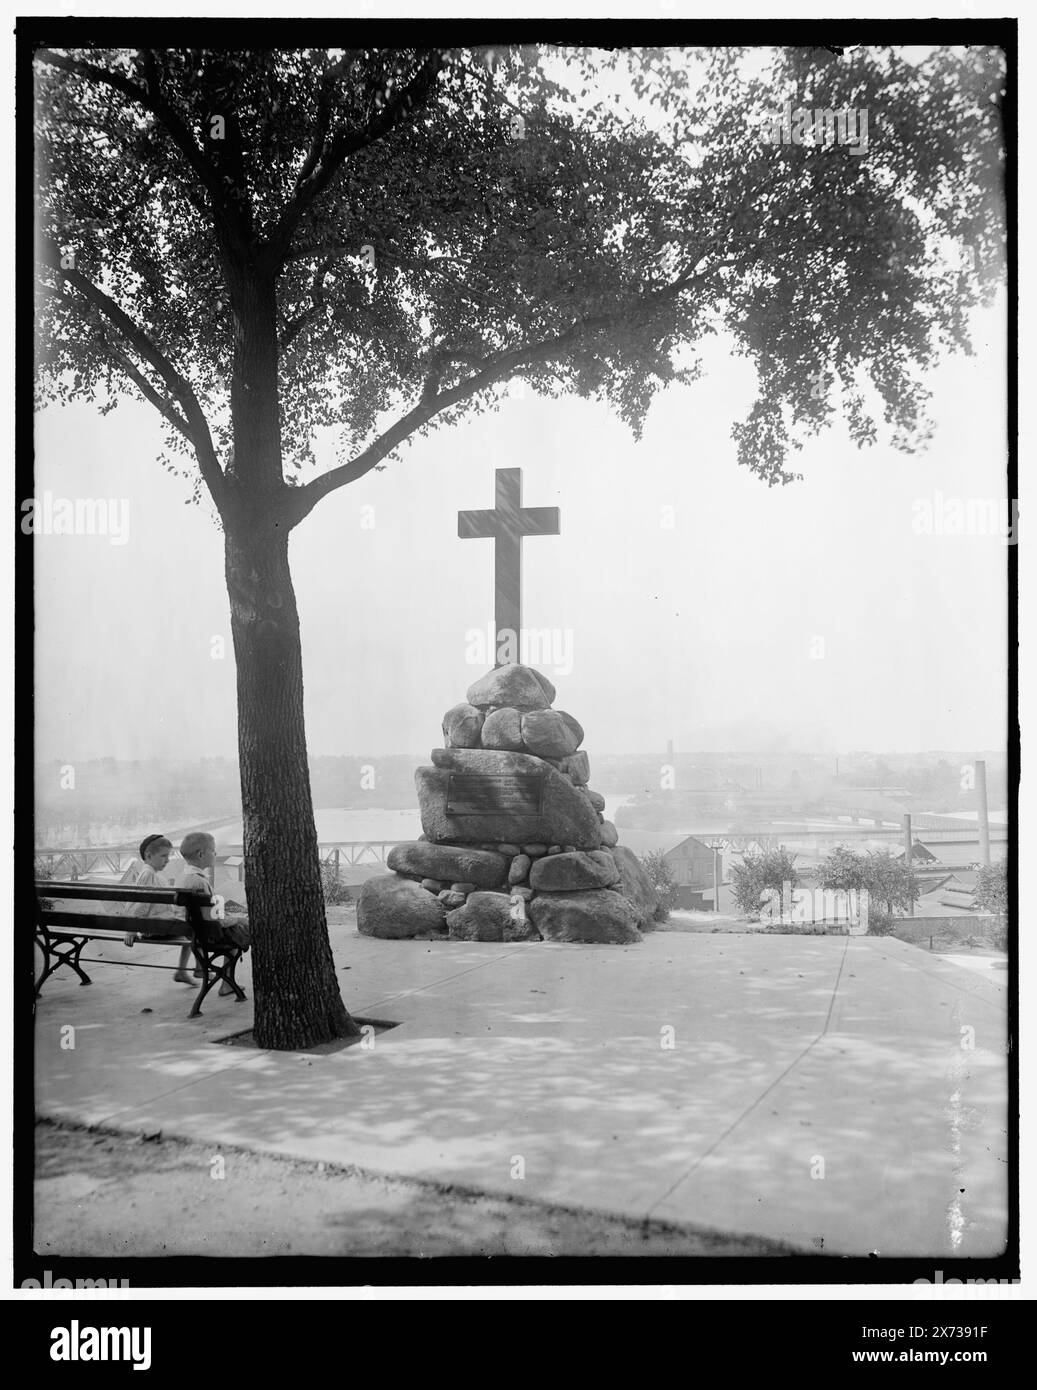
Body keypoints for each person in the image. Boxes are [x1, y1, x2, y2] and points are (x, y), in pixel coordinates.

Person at [174, 832, 250, 991]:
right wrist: (238, 919)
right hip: (207, 935)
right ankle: (227, 983)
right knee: (244, 926)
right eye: (213, 850)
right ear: (201, 854)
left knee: (236, 919)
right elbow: (217, 920)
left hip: (192, 931)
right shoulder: (200, 882)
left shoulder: (182, 877)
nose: (216, 853)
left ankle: (224, 981)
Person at [122, 835, 176, 947]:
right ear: (149, 855)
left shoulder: (151, 874)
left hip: (156, 925)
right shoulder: (148, 874)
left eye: (168, 856)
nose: (167, 860)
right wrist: (131, 931)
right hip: (156, 927)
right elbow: (139, 903)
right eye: (164, 856)